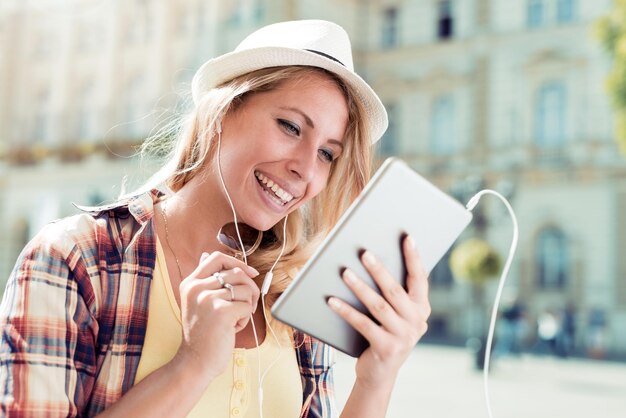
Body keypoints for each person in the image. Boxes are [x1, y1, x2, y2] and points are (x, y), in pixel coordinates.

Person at [0, 20, 430, 417]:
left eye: (327, 153)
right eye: (291, 127)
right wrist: (193, 364)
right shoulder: (77, 259)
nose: (306, 168)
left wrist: (377, 376)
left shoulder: (292, 292)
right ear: (222, 112)